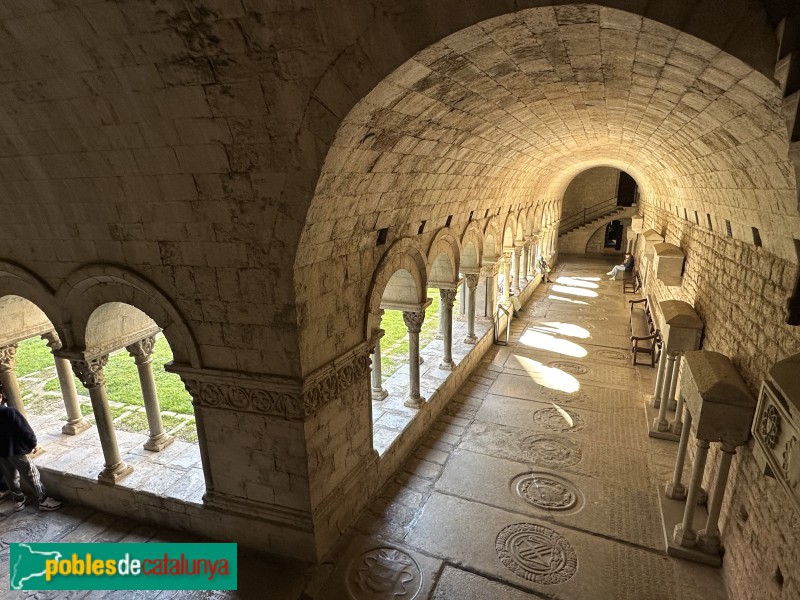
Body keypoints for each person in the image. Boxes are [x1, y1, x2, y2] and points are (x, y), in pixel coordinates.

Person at [0, 401, 62, 511]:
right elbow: (24, 429)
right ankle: (43, 500)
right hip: (16, 450)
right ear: (1, 396)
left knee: (10, 477)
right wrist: (33, 443)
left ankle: (18, 500)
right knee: (31, 475)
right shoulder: (9, 411)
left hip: (2, 453)